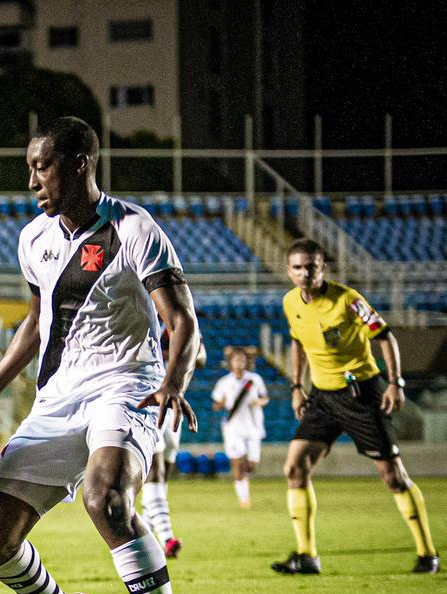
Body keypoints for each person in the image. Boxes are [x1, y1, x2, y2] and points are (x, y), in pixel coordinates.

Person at [0, 116, 202, 594]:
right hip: (57, 396)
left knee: (105, 498)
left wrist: (175, 382)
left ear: (81, 162)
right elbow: (36, 323)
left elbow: (181, 320)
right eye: (30, 168)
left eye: (43, 166)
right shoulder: (34, 237)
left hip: (126, 383)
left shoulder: (135, 229)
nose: (33, 180)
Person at [273, 239, 438, 575]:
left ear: (323, 268)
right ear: (289, 271)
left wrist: (395, 382)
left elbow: (385, 337)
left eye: (312, 266)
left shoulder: (348, 301)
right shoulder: (290, 302)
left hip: (361, 394)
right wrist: (296, 387)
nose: (305, 273)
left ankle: (427, 554)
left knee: (392, 477)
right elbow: (297, 342)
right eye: (298, 267)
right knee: (294, 467)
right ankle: (307, 555)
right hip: (322, 396)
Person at [140, 332, 207, 557]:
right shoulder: (140, 314)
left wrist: (179, 353)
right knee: (155, 471)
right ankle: (167, 537)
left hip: (174, 403)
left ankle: (146, 537)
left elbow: (201, 358)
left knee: (163, 476)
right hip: (147, 402)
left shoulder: (179, 320)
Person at [211, 346, 268, 509]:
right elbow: (217, 402)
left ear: (246, 362)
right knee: (238, 465)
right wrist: (220, 405)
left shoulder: (254, 380)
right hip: (233, 428)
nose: (239, 362)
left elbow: (265, 398)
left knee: (250, 465)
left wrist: (259, 402)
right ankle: (244, 499)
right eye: (236, 359)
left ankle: (244, 486)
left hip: (253, 427)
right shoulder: (224, 382)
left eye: (242, 359)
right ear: (230, 362)